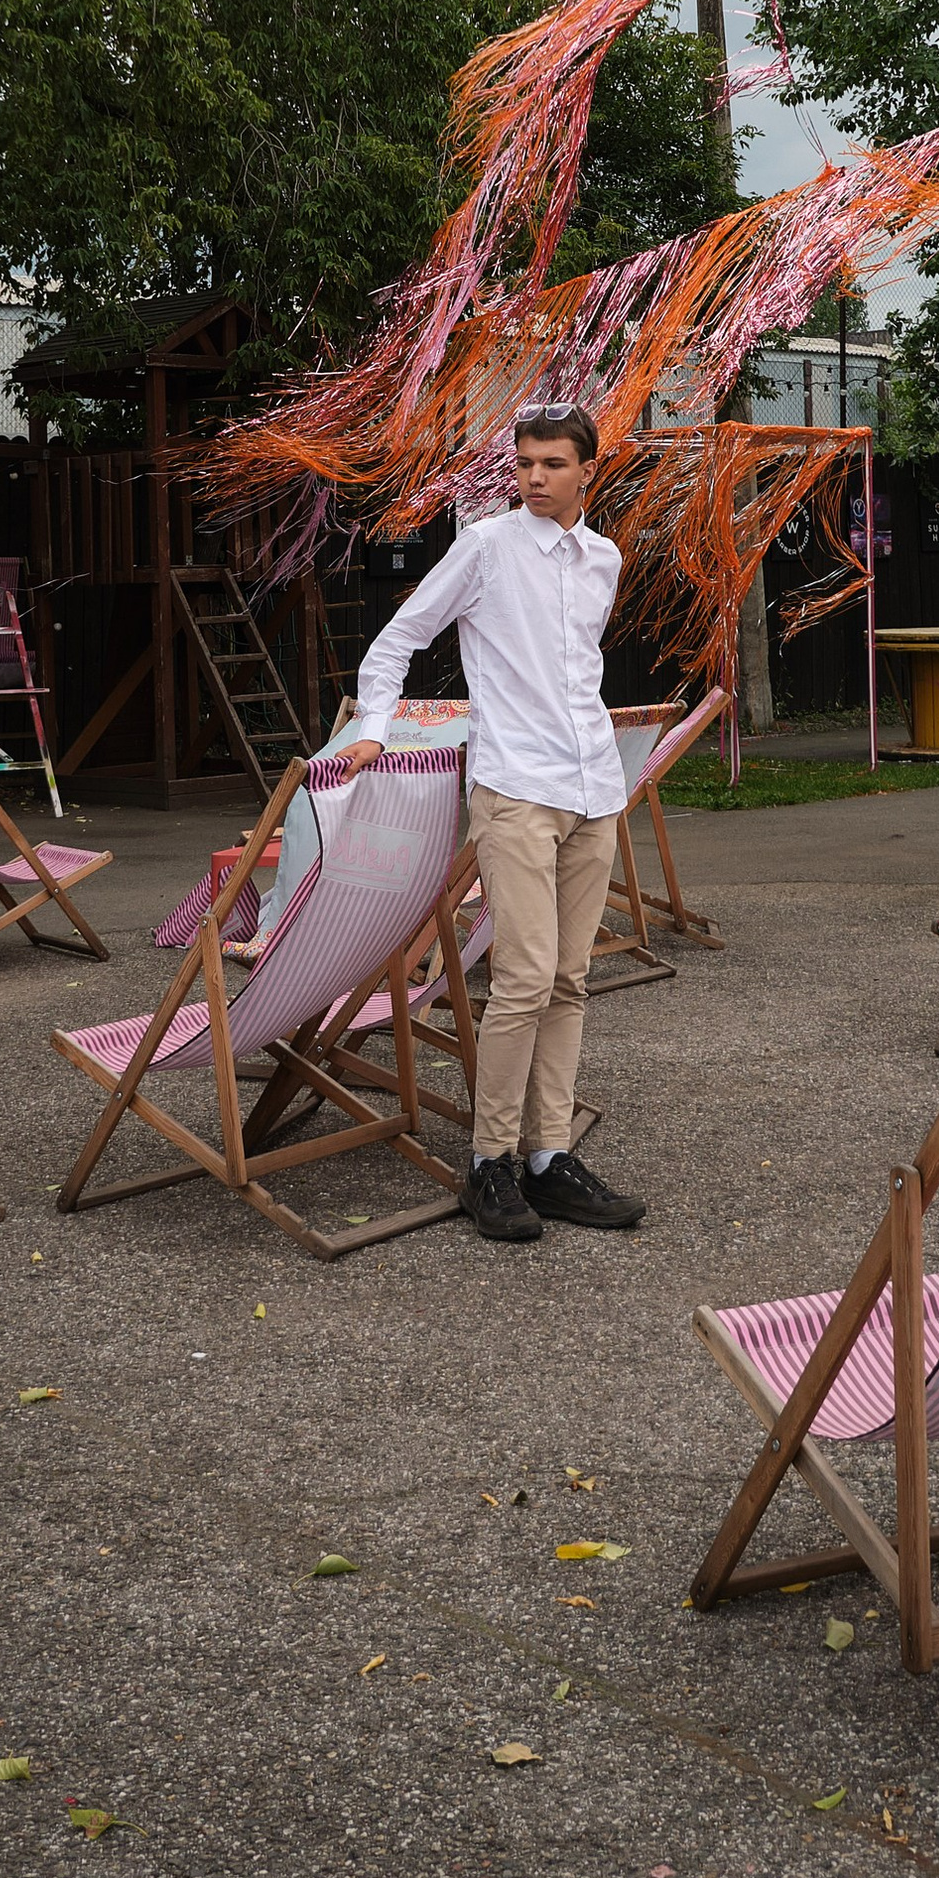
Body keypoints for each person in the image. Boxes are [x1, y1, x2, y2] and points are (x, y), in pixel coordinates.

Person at [334, 399, 644, 1245]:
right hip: (515, 789)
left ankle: (548, 1159)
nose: (535, 478)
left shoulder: (603, 558)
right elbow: (395, 641)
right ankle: (489, 1164)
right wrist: (371, 732)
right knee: (526, 976)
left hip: (594, 790)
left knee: (572, 979)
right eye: (524, 463)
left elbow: (576, 670)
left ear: (588, 470)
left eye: (553, 464)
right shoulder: (485, 549)